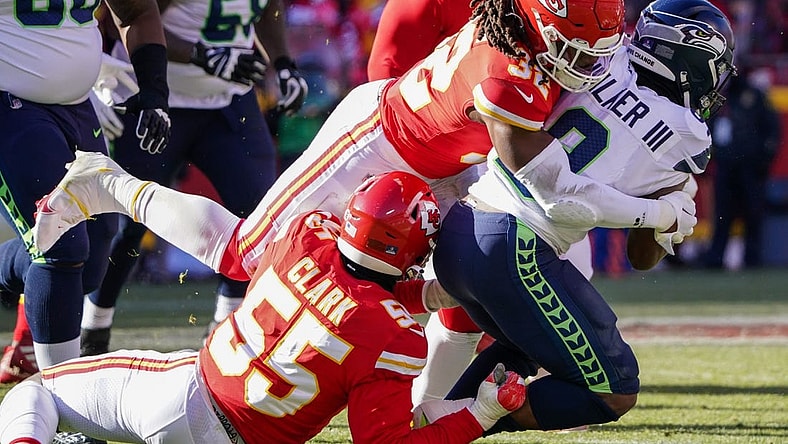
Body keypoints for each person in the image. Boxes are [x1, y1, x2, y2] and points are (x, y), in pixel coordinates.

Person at [0, 169, 528, 444]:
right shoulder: (398, 339)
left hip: (182, 394)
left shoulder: (308, 234)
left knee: (36, 394)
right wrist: (480, 414)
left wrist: (418, 294)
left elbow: (340, 294)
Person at [416, 0, 737, 433]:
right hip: (517, 247)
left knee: (524, 350)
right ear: (690, 59)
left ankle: (430, 426)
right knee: (615, 388)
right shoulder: (688, 137)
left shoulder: (599, 59)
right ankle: (447, 422)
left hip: (464, 228)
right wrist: (671, 209)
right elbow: (642, 257)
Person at [365, 0, 595, 405]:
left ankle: (431, 410)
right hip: (429, 153)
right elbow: (386, 74)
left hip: (498, 155)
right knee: (373, 276)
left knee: (564, 266)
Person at [78, 0, 309, 356]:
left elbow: (267, 8)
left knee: (259, 217)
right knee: (126, 223)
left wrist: (283, 64)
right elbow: (129, 20)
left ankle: (225, 330)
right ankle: (94, 326)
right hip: (159, 100)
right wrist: (204, 55)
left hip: (227, 100)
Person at [0, 0, 171, 382]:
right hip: (9, 104)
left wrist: (154, 92)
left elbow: (137, 12)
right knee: (61, 243)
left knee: (92, 254)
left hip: (77, 108)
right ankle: (66, 407)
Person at [702, 69, 781, 269]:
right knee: (722, 215)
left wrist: (763, 159)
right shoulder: (720, 98)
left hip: (749, 167)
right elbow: (708, 128)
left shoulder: (755, 96)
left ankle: (752, 259)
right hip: (727, 165)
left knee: (752, 214)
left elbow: (771, 129)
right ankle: (716, 258)